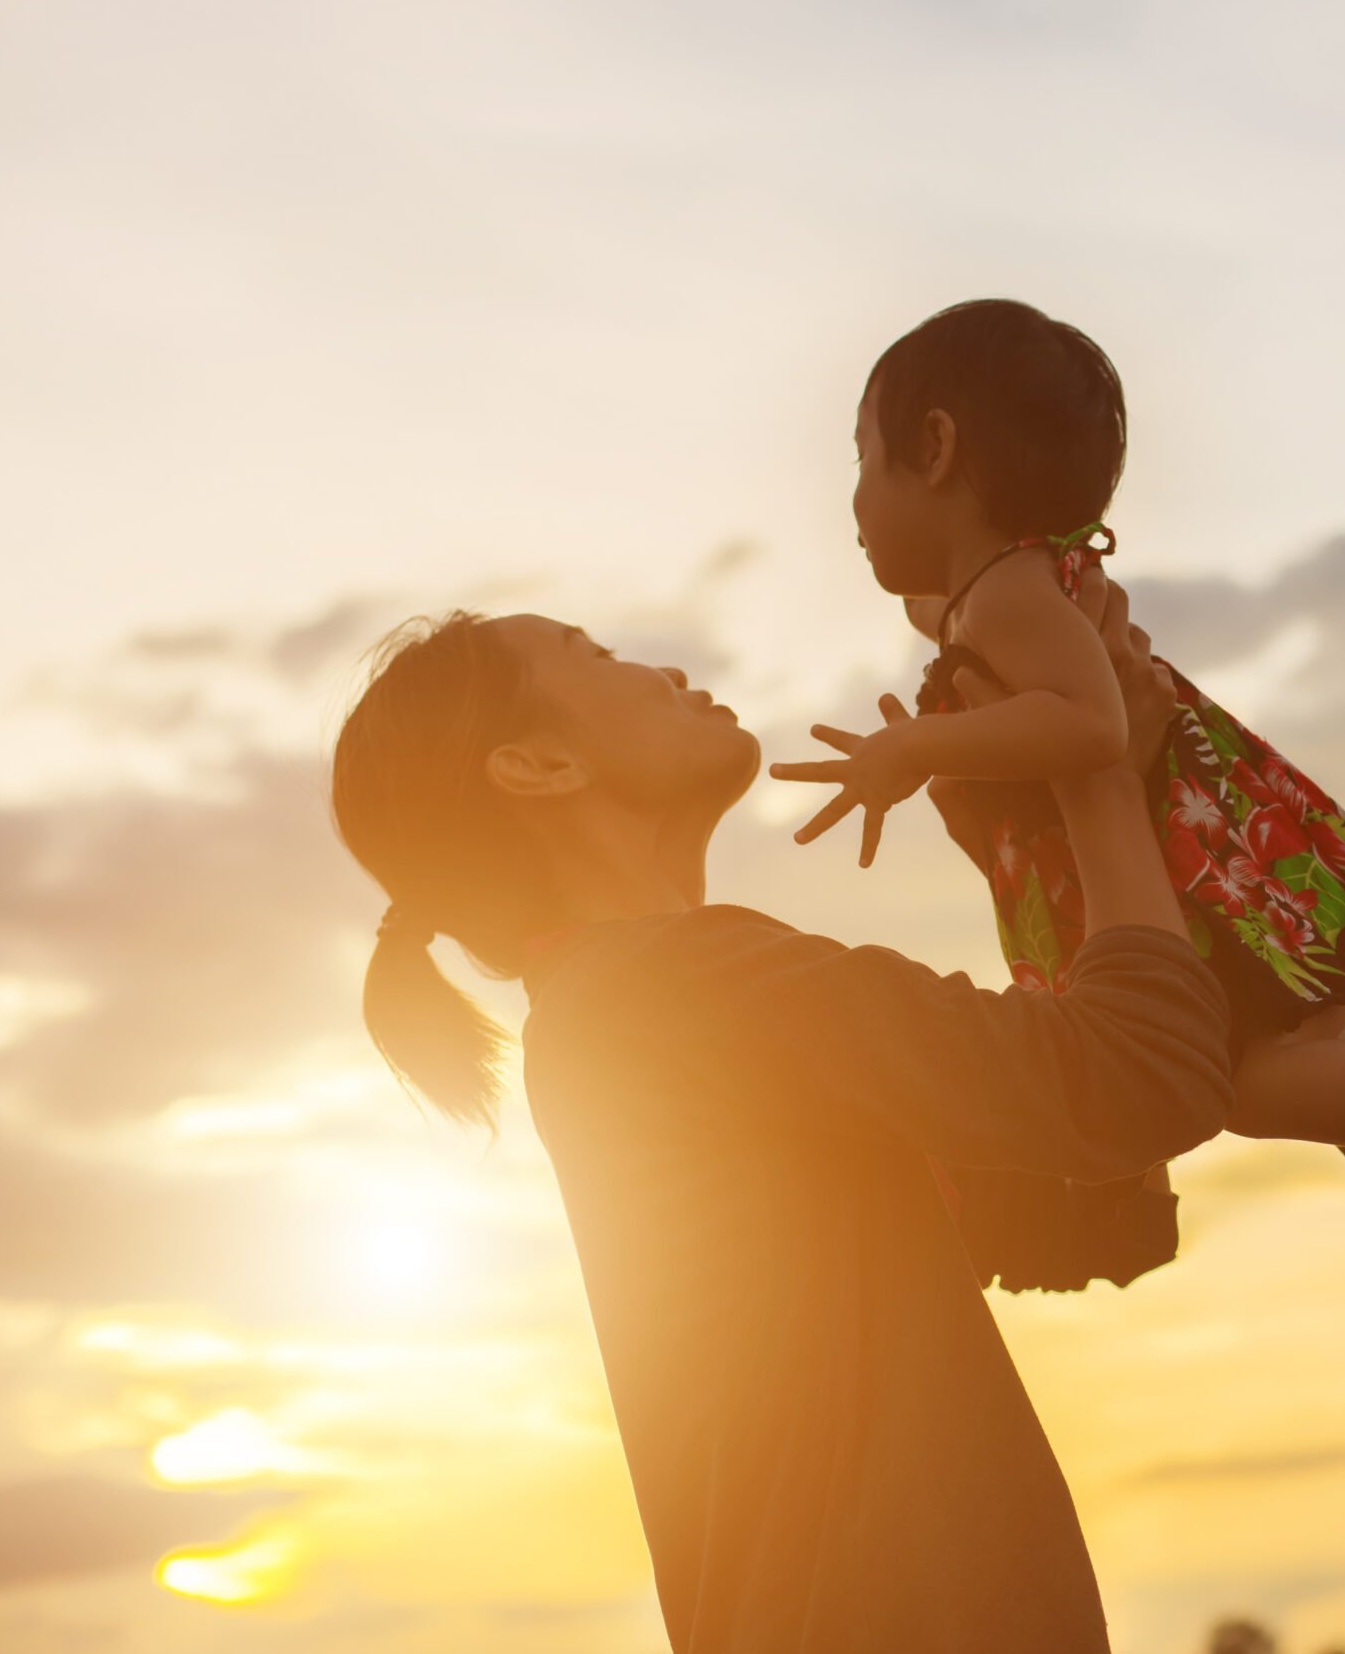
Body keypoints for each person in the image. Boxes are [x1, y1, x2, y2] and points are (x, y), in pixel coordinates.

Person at [774, 298, 1345, 1516]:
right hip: (1244, 896)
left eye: (860, 459)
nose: (849, 503)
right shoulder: (994, 597)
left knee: (1246, 1090)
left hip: (1230, 905)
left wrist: (913, 752)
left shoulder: (1007, 596)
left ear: (934, 450)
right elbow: (954, 630)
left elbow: (1092, 728)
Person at [328, 584, 1229, 1652]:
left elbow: (1071, 1211)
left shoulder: (627, 1012)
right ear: (540, 767)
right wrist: (1099, 779)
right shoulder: (673, 987)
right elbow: (1140, 1078)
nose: (656, 669)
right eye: (594, 651)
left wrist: (1020, 841)